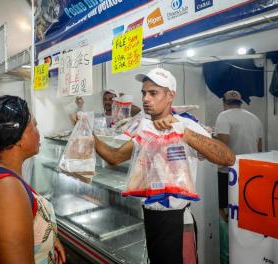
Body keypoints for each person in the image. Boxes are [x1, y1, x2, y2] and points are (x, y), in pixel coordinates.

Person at [94, 68, 235, 263]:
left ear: (170, 96)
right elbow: (115, 157)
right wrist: (88, 136)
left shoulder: (186, 124)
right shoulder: (144, 129)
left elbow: (227, 157)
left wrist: (183, 132)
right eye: (144, 93)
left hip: (176, 220)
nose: (146, 99)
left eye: (153, 93)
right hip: (151, 218)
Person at [0, 95, 66, 263]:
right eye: (35, 125)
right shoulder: (6, 190)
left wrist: (48, 238)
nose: (38, 132)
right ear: (18, 138)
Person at [215, 90, 263, 219]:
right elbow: (259, 148)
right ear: (240, 103)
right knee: (244, 206)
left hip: (229, 171)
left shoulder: (224, 116)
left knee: (224, 207)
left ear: (224, 103)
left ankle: (226, 234)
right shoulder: (255, 118)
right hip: (250, 170)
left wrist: (211, 139)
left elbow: (223, 145)